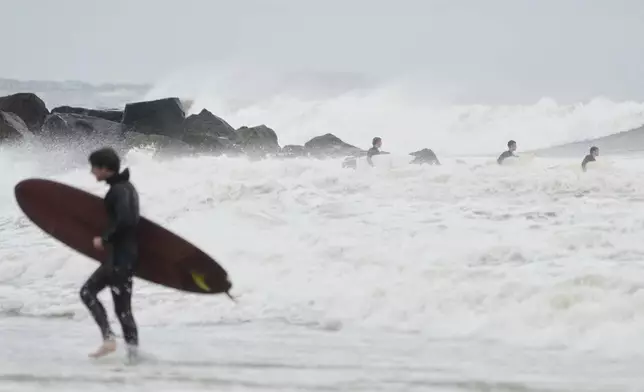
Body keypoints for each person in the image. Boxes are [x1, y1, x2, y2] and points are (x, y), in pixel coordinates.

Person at [80, 147, 140, 361]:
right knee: (123, 310)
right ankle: (133, 357)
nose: (92, 172)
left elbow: (127, 220)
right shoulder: (126, 187)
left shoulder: (119, 191)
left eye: (94, 168)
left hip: (119, 258)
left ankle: (109, 339)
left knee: (88, 292)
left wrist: (105, 238)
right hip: (125, 257)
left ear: (105, 169)